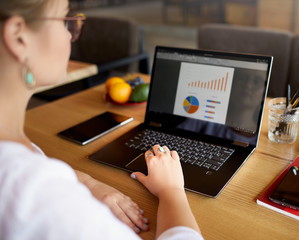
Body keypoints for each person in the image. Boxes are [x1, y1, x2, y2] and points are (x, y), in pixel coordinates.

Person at [0, 0, 203, 239]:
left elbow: (33, 159)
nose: (71, 37)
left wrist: (88, 182)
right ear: (18, 37)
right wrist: (171, 190)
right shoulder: (46, 201)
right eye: (65, 21)